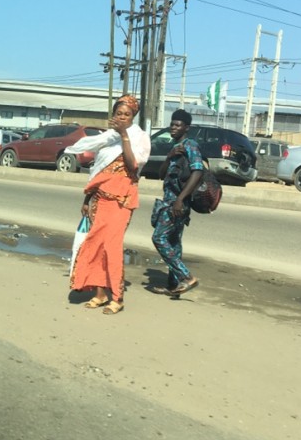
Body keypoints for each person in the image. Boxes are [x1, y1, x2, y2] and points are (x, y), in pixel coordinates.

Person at [65, 95, 151, 315]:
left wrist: (124, 136)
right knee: (96, 245)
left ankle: (117, 297)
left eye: (127, 114)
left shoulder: (140, 137)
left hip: (121, 201)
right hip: (100, 199)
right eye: (118, 114)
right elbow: (97, 172)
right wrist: (87, 200)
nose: (122, 117)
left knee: (112, 248)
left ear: (133, 116)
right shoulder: (106, 138)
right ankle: (100, 294)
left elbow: (133, 166)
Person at [150, 109, 204, 296]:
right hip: (170, 201)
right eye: (172, 124)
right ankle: (174, 286)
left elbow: (198, 172)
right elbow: (161, 174)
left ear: (186, 128)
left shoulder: (190, 145)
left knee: (159, 238)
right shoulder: (175, 147)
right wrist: (169, 156)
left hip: (177, 202)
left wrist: (180, 200)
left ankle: (186, 277)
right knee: (173, 242)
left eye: (177, 125)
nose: (173, 128)